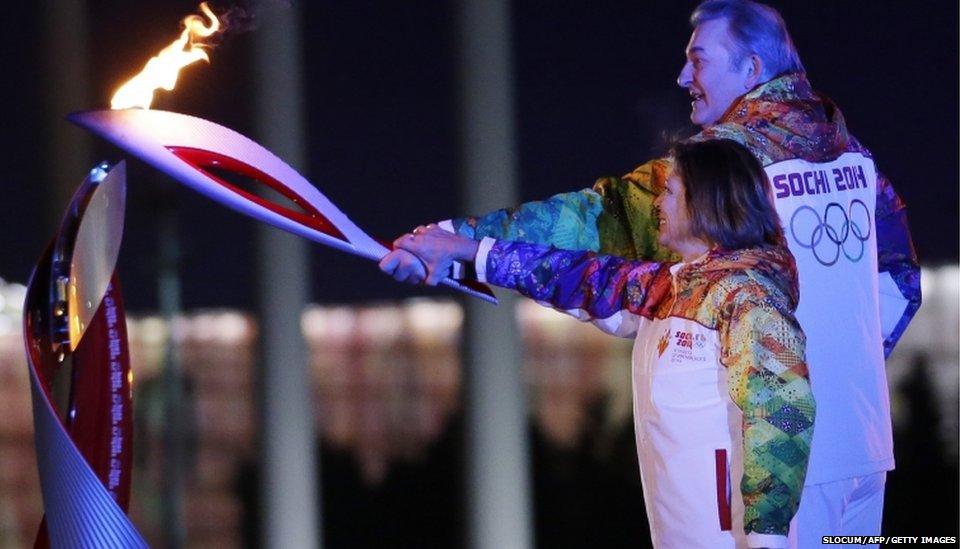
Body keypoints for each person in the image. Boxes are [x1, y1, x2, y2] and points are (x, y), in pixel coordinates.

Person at [382, 0, 921, 545]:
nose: (684, 76)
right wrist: (827, 369)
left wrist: (455, 239)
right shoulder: (854, 157)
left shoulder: (718, 166)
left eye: (700, 60)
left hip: (767, 470)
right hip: (858, 450)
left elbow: (597, 222)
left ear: (752, 70)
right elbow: (901, 284)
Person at [383, 138, 817, 548]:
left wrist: (766, 535)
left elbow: (782, 413)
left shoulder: (748, 299)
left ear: (706, 200)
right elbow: (572, 276)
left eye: (670, 191)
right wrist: (463, 251)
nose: (657, 204)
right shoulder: (668, 286)